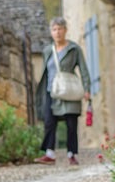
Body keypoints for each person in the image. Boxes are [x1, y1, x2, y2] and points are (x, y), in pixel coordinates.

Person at [34, 17, 91, 166]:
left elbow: (83, 69)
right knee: (49, 121)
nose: (57, 32)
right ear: (51, 32)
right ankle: (49, 154)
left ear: (65, 30)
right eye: (54, 29)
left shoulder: (74, 49)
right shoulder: (47, 51)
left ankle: (72, 154)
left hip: (69, 90)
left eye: (60, 29)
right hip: (51, 91)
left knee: (71, 123)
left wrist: (87, 89)